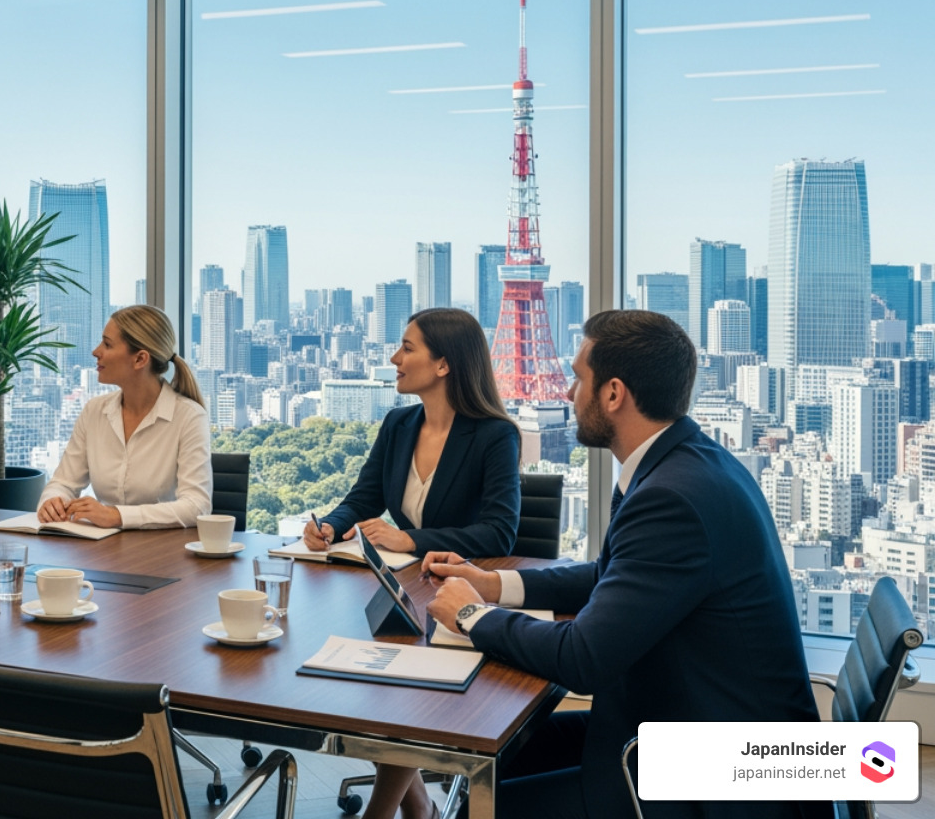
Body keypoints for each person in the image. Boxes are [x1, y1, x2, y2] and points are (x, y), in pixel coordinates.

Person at [426, 310, 825, 819]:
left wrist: (471, 616)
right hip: (683, 728)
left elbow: (583, 660)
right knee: (495, 758)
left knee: (485, 796)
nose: (569, 394)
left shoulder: (672, 498)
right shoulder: (686, 462)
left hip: (714, 781)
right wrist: (494, 585)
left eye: (578, 379)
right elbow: (611, 576)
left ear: (613, 394)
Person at [301, 307, 521, 819]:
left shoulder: (493, 434)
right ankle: (420, 811)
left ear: (443, 364)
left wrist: (411, 537)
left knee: (401, 697)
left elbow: (499, 531)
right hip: (400, 593)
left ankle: (382, 814)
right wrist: (332, 525)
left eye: (407, 347)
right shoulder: (400, 424)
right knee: (385, 684)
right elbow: (364, 497)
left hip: (456, 599)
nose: (394, 358)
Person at [36, 305, 212, 529]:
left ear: (140, 359)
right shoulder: (94, 411)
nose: (96, 351)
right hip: (104, 549)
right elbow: (63, 482)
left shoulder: (189, 417)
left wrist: (117, 516)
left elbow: (197, 506)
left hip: (166, 554)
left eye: (107, 344)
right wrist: (53, 500)